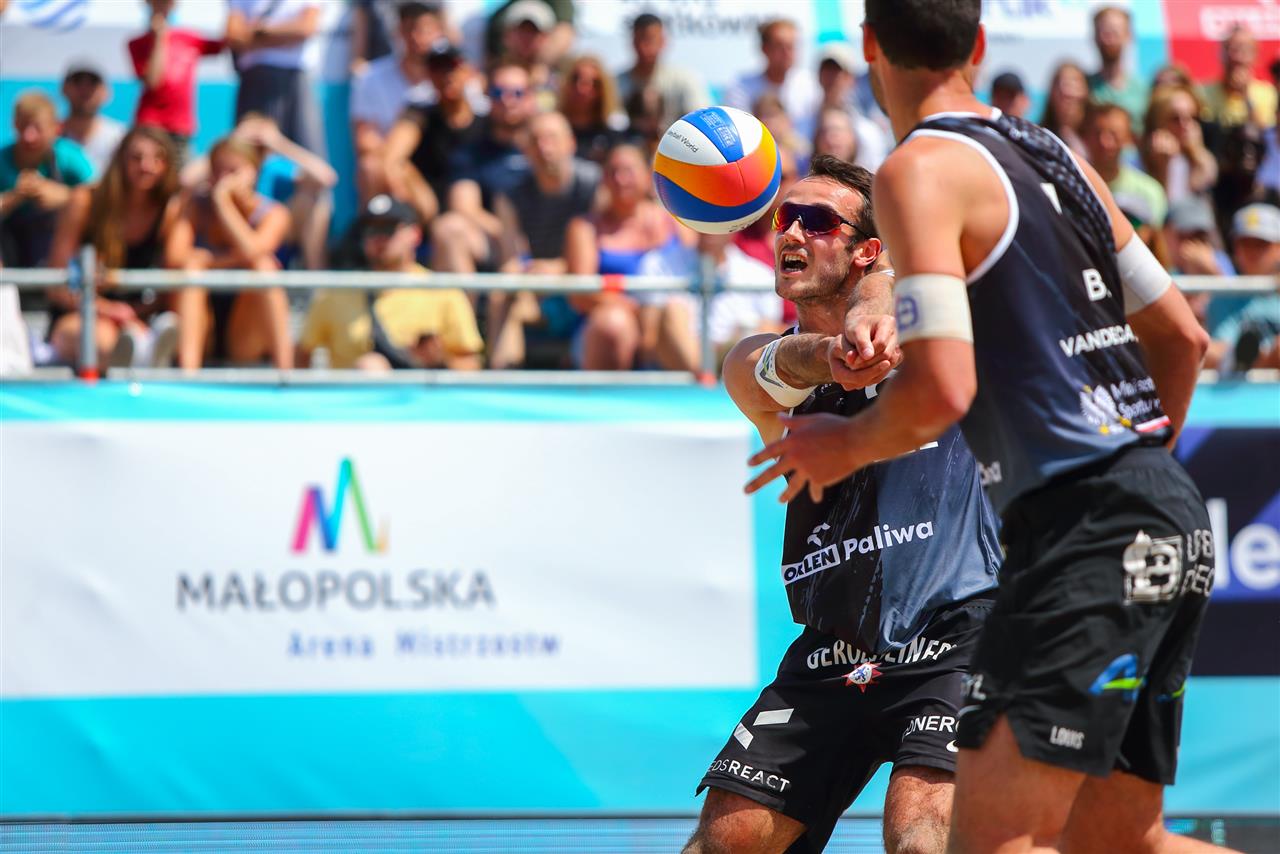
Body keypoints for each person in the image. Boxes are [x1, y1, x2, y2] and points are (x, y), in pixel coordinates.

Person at [751, 3, 1223, 852]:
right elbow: (1184, 338)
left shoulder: (916, 170)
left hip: (1080, 526)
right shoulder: (1057, 157)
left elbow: (943, 388)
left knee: (987, 841)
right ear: (978, 44)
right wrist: (1142, 470)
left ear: (869, 45)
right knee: (1127, 843)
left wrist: (840, 443)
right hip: (1164, 508)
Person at [685, 155, 1001, 854]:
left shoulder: (936, 335)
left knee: (921, 836)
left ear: (866, 250)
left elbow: (891, 284)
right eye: (783, 218)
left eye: (818, 220)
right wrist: (836, 350)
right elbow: (773, 368)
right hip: (834, 646)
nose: (791, 232)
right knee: (724, 842)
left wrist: (877, 307)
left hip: (959, 631)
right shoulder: (757, 360)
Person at [44, 126, 185, 368]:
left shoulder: (170, 210)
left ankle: (145, 354)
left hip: (136, 317)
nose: (146, 166)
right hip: (81, 311)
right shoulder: (85, 200)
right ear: (120, 159)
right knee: (103, 342)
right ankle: (144, 357)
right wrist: (107, 309)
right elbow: (57, 285)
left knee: (141, 335)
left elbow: (173, 275)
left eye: (158, 158)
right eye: (136, 157)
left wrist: (135, 312)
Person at [300, 194, 482, 371]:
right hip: (354, 391)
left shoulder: (442, 291)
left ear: (415, 234)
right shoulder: (336, 292)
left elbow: (471, 363)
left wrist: (439, 360)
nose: (380, 238)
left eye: (389, 229)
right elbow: (301, 356)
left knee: (371, 366)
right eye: (371, 230)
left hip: (418, 392)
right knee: (370, 366)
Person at [488, 111, 601, 369]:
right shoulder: (510, 194)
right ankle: (503, 380)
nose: (544, 147)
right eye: (536, 140)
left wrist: (559, 268)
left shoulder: (595, 184)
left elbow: (604, 249)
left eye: (552, 138)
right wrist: (527, 274)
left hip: (583, 283)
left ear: (570, 143)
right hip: (537, 286)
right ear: (525, 149)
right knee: (502, 296)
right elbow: (511, 259)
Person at [168, 136, 293, 369]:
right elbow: (174, 256)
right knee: (191, 268)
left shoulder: (274, 213)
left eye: (233, 171)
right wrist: (230, 260)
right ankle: (188, 372)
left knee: (264, 267)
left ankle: (286, 373)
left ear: (253, 172)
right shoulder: (193, 206)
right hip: (202, 326)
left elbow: (253, 253)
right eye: (219, 171)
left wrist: (222, 202)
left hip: (245, 333)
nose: (224, 179)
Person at [563, 142, 676, 369]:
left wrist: (655, 318)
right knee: (613, 324)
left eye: (628, 171)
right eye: (613, 172)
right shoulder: (585, 228)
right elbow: (580, 294)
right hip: (606, 324)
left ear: (648, 175)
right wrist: (639, 311)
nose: (620, 179)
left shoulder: (676, 221)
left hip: (667, 321)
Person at [182, 112, 337, 271]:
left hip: (270, 243)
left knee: (314, 201)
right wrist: (234, 138)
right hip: (237, 249)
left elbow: (326, 177)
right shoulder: (220, 173)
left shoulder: (273, 167)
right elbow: (186, 179)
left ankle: (317, 274)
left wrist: (278, 142)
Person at [0, 92, 93, 269]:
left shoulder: (69, 156)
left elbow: (103, 196)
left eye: (37, 128)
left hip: (60, 254)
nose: (29, 136)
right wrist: (14, 198)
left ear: (56, 128)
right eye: (23, 126)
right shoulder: (2, 159)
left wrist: (66, 197)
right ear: (14, 125)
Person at [225, 0, 325, 156]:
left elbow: (306, 28)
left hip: (294, 81)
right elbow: (234, 36)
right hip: (254, 83)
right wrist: (282, 36)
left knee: (304, 152)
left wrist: (258, 32)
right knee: (245, 154)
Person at [128, 0, 225, 159]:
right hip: (150, 125)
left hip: (181, 127)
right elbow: (153, 81)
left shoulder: (190, 38)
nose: (162, 5)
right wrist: (159, 38)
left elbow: (227, 43)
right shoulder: (137, 44)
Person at [349, 1, 441, 148]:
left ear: (438, 30)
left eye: (425, 30)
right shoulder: (370, 77)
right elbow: (365, 137)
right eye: (410, 29)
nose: (417, 38)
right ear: (399, 32)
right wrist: (394, 158)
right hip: (389, 158)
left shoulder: (454, 74)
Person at [1207, 203, 1280, 373]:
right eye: (1245, 243)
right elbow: (1221, 355)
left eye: (1261, 244)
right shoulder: (1223, 297)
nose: (1252, 252)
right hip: (1241, 386)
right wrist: (1270, 358)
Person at [615, 13, 710, 130]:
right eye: (641, 40)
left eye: (651, 40)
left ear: (663, 42)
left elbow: (701, 123)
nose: (645, 47)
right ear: (633, 43)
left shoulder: (685, 80)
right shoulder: (616, 84)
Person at [804, 41, 890, 170]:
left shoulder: (869, 133)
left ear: (851, 78)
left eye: (838, 71)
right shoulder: (802, 123)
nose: (832, 78)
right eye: (827, 70)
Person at [1083, 101, 1168, 227]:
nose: (1105, 142)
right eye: (1097, 133)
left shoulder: (1150, 192)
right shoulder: (1071, 185)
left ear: (1128, 138)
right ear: (1085, 137)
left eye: (1114, 134)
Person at [724, 19, 821, 130]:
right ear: (764, 49)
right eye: (780, 46)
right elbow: (740, 131)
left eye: (790, 46)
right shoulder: (741, 87)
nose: (786, 53)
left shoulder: (811, 84)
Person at [1140, 85, 1218, 206]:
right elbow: (1164, 206)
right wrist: (1162, 167)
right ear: (1156, 121)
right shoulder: (1137, 158)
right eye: (1176, 118)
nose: (1185, 125)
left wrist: (1197, 152)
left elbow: (1204, 183)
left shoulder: (1195, 155)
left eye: (1192, 117)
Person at [59, 60, 127, 177]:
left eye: (93, 83)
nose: (84, 89)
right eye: (77, 81)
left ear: (106, 92)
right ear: (64, 89)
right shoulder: (48, 136)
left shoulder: (120, 137)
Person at [1087, 6, 1148, 131]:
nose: (1108, 39)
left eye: (1114, 32)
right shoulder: (1083, 88)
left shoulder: (1144, 91)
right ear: (1094, 37)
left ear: (1128, 36)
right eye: (1103, 32)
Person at [558, 55, 628, 165]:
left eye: (593, 83)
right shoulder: (553, 130)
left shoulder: (612, 136)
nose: (582, 88)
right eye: (576, 79)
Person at [1039, 61, 1089, 157]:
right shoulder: (1040, 136)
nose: (1068, 91)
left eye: (1075, 81)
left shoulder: (1098, 136)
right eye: (1063, 83)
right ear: (1052, 92)